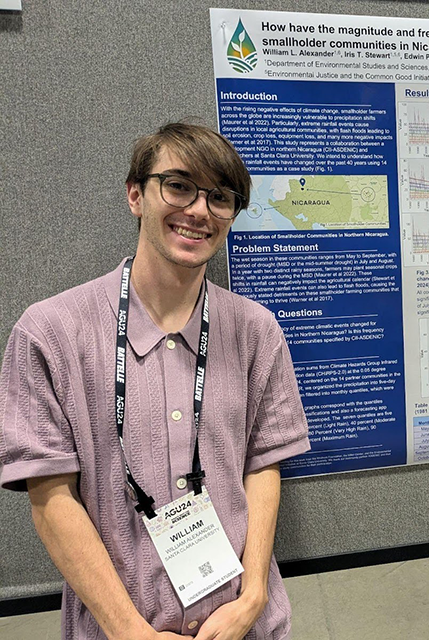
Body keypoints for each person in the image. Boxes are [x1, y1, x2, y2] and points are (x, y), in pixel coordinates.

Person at [0, 122, 310, 639]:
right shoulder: (50, 333)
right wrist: (129, 631)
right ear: (135, 195)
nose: (198, 211)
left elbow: (262, 465)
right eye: (179, 185)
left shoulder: (256, 331)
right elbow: (50, 495)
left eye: (220, 197)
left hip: (243, 626)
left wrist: (253, 596)